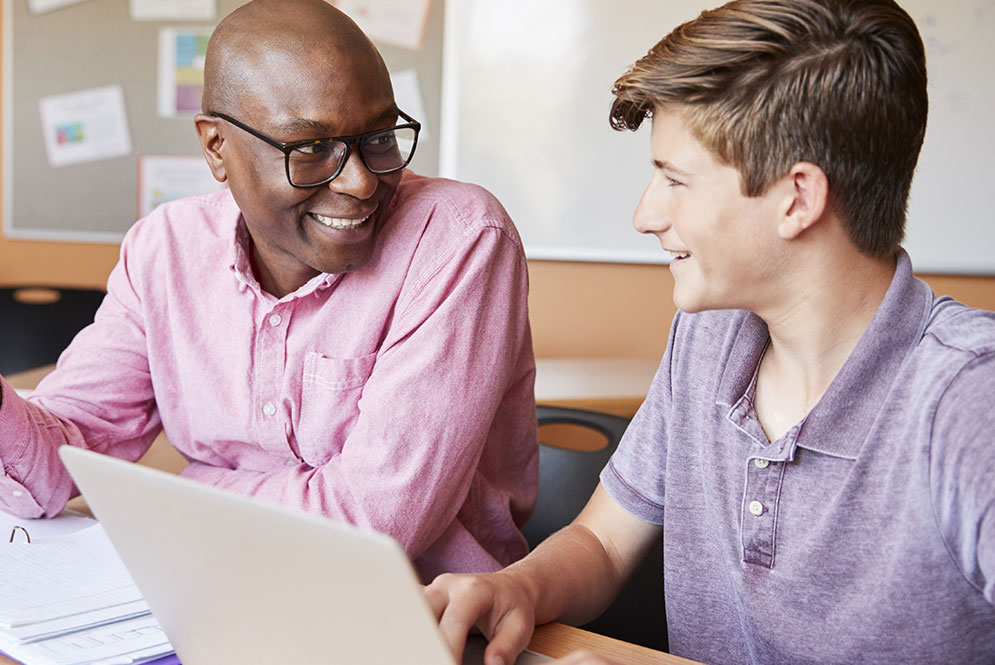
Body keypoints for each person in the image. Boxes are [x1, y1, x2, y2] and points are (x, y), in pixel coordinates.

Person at [425, 0, 995, 663]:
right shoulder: (708, 338)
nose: (645, 214)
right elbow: (605, 543)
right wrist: (516, 587)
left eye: (674, 179)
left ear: (796, 198)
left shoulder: (966, 401)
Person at [0, 0, 538, 584]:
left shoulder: (457, 237)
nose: (360, 181)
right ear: (216, 148)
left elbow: (369, 529)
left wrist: (192, 484)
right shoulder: (166, 249)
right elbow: (50, 475)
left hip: (421, 619)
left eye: (380, 136)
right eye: (309, 149)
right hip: (212, 589)